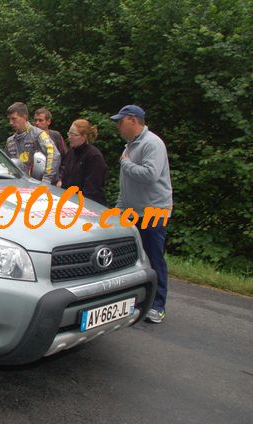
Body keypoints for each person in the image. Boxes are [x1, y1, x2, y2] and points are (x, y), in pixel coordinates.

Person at [111, 105, 173, 324]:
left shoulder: (151, 143)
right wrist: (118, 212)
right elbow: (126, 184)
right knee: (131, 258)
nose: (118, 126)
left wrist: (126, 163)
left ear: (133, 120)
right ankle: (135, 300)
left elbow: (150, 175)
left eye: (121, 122)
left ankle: (158, 305)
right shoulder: (131, 145)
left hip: (153, 211)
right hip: (131, 211)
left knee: (154, 258)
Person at [5, 102, 60, 184]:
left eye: (14, 118)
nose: (10, 123)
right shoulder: (10, 141)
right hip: (17, 186)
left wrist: (46, 180)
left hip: (37, 186)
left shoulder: (39, 135)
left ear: (24, 117)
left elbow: (54, 154)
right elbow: (6, 166)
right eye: (9, 119)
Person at [61, 119, 107, 205]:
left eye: (73, 134)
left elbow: (92, 189)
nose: (69, 137)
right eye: (69, 133)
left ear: (84, 136)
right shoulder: (71, 152)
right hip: (70, 202)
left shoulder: (94, 156)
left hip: (88, 205)